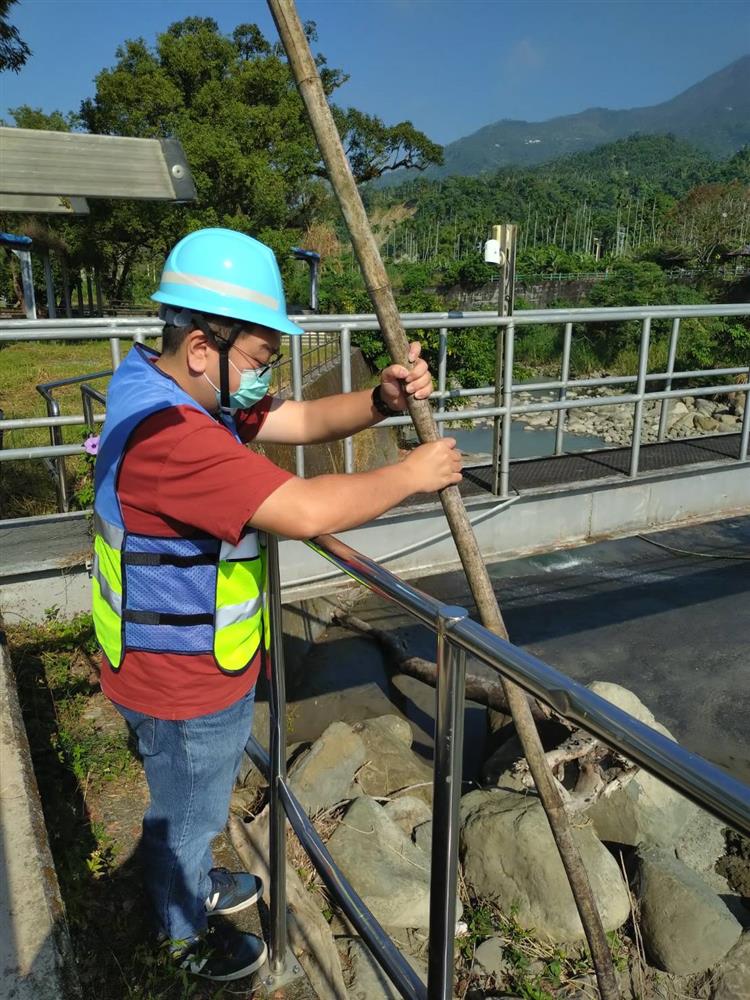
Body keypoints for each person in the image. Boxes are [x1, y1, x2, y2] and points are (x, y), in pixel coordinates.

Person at [91, 227, 461, 982]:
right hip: (182, 681)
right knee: (188, 815)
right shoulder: (176, 440)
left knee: (192, 799)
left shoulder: (159, 384)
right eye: (260, 360)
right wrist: (412, 474)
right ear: (203, 346)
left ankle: (189, 883)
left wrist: (380, 402)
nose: (265, 379)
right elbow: (303, 510)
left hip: (168, 664)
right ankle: (182, 932)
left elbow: (295, 422)